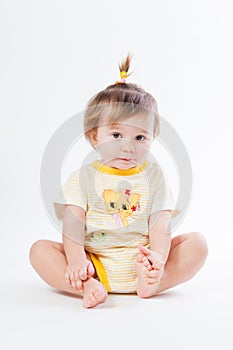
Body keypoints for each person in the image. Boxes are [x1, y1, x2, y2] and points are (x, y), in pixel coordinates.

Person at [29, 54, 208, 308]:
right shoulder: (84, 178)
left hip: (141, 263)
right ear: (94, 136)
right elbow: (73, 224)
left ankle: (156, 281)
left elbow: (161, 226)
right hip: (94, 263)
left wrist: (157, 258)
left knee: (197, 244)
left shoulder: (155, 177)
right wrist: (77, 259)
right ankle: (88, 286)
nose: (127, 146)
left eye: (140, 138)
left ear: (152, 138)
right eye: (116, 134)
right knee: (39, 251)